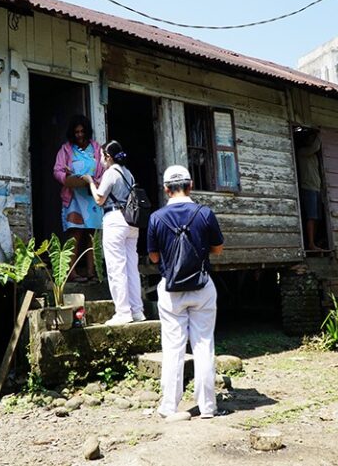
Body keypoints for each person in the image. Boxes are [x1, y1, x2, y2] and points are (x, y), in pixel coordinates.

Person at [147, 165, 224, 419]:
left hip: (171, 290)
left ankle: (169, 406)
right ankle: (208, 407)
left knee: (173, 348)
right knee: (203, 345)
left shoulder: (156, 218)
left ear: (166, 189)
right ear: (190, 186)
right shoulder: (205, 213)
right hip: (202, 287)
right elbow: (217, 249)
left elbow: (153, 256)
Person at [82, 141, 145, 326]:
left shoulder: (110, 172)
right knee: (131, 268)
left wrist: (90, 182)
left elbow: (99, 199)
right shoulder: (128, 173)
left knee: (116, 267)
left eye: (102, 156)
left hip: (115, 219)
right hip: (131, 222)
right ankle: (137, 311)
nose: (101, 160)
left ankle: (123, 312)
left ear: (108, 157)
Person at [53, 115, 104, 282]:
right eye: (76, 132)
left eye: (82, 131)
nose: (80, 135)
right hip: (74, 197)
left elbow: (104, 170)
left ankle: (92, 272)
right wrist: (67, 177)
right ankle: (71, 273)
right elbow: (57, 170)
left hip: (92, 197)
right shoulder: (66, 149)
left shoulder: (96, 148)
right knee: (75, 233)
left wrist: (95, 182)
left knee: (92, 235)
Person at [296, 131, 324, 251]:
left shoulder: (314, 156)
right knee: (311, 217)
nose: (312, 141)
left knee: (317, 218)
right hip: (308, 187)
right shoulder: (302, 151)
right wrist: (320, 133)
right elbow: (315, 147)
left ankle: (314, 243)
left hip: (316, 188)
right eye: (310, 138)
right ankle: (311, 244)